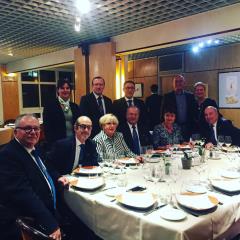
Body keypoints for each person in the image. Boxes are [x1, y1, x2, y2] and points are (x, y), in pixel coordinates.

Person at [0, 114, 68, 240]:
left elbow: (47, 166)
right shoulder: (8, 156)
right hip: (30, 218)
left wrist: (57, 176)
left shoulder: (35, 147)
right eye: (27, 129)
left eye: (36, 129)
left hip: (50, 209)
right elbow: (24, 195)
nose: (33, 132)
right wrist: (50, 224)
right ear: (15, 132)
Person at [43, 78, 80, 146]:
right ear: (58, 90)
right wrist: (52, 144)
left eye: (67, 88)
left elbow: (78, 124)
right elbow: (47, 127)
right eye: (62, 88)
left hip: (73, 141)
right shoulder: (50, 106)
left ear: (70, 90)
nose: (65, 90)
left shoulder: (75, 106)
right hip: (57, 142)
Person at [161, 74, 197, 141]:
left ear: (184, 83)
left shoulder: (190, 96)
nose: (178, 83)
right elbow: (162, 113)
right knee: (174, 148)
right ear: (173, 84)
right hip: (172, 128)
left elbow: (194, 113)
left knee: (187, 148)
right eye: (176, 82)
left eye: (180, 81)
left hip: (187, 127)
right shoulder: (167, 96)